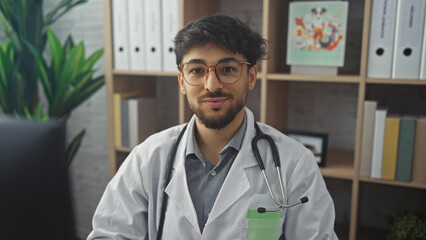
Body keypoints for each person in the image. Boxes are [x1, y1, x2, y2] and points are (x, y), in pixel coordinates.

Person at [88, 14, 338, 240]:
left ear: (251, 77)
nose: (211, 84)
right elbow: (109, 234)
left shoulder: (294, 163)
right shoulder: (148, 158)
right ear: (182, 81)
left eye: (228, 69)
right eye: (196, 70)